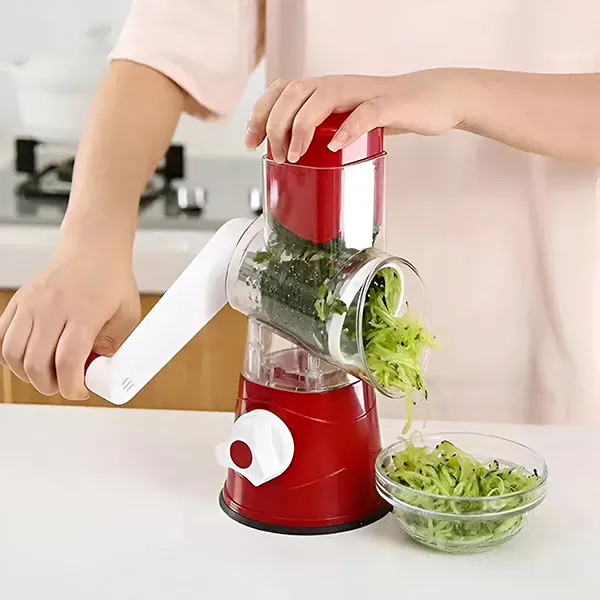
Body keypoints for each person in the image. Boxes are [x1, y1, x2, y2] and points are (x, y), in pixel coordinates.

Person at [1, 0, 599, 426]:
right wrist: (90, 244)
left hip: (562, 352)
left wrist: (459, 93)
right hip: (319, 350)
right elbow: (161, 52)